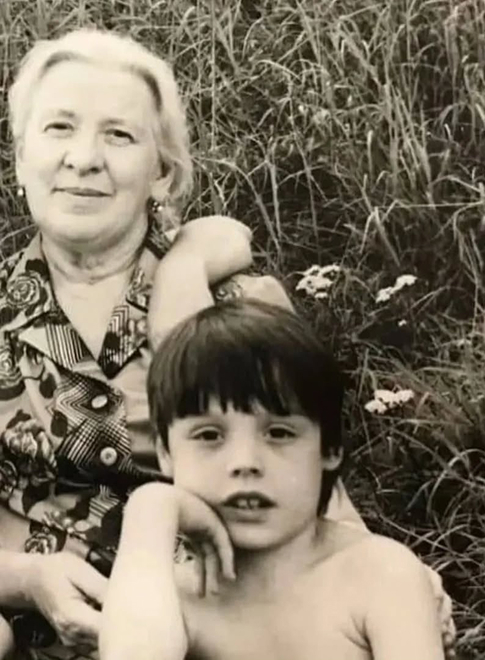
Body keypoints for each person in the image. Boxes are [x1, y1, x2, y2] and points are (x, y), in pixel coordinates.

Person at [0, 27, 296, 660]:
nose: (84, 158)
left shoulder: (235, 306)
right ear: (21, 158)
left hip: (211, 629)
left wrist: (379, 574)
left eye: (119, 135)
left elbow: (311, 489)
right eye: (59, 128)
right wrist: (29, 580)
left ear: (161, 173)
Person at [100, 299, 447, 660]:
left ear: (329, 447)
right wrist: (151, 508)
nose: (245, 463)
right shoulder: (172, 597)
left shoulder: (377, 575)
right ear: (166, 453)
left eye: (279, 433)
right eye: (209, 435)